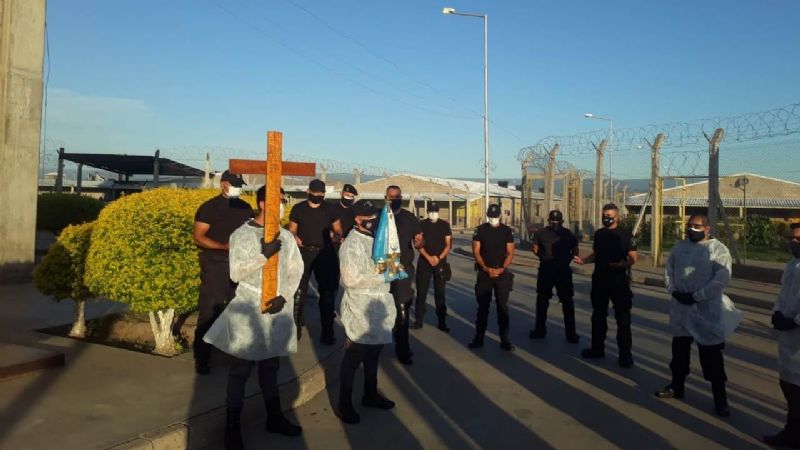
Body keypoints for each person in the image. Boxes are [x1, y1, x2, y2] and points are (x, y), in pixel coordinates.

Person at [203, 186, 303, 449]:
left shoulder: (286, 236)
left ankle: (274, 416)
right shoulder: (242, 235)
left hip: (275, 307)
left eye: (283, 201)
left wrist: (284, 294)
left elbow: (296, 270)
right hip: (249, 308)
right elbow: (236, 273)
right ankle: (232, 426)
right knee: (240, 370)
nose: (281, 205)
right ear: (261, 203)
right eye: (277, 201)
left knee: (271, 367)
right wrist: (263, 255)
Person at [655, 214, 736, 417]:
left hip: (706, 311)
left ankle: (720, 400)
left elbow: (721, 278)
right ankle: (676, 386)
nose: (692, 229)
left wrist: (698, 296)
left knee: (712, 359)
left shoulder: (718, 250)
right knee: (679, 354)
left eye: (697, 226)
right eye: (689, 226)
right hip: (681, 309)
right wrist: (674, 291)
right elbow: (669, 272)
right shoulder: (679, 248)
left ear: (707, 229)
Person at [337, 199, 397, 425]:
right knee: (354, 357)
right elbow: (350, 280)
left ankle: (370, 394)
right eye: (368, 216)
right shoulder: (351, 244)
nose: (373, 220)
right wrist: (383, 276)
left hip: (379, 306)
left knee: (374, 354)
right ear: (357, 219)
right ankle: (344, 404)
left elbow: (386, 265)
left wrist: (392, 267)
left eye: (375, 216)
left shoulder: (378, 240)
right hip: (360, 308)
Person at [192, 170, 254, 375]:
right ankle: (202, 357)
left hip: (240, 266)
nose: (238, 187)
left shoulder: (245, 208)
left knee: (239, 310)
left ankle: (234, 353)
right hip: (216, 264)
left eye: (240, 184)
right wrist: (222, 246)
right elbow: (199, 237)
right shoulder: (210, 208)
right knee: (211, 310)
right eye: (235, 183)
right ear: (224, 184)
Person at [575, 203, 638, 367]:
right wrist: (584, 260)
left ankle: (625, 356)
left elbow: (633, 257)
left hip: (618, 282)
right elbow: (597, 254)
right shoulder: (600, 234)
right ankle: (597, 349)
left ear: (617, 217)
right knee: (597, 317)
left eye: (610, 216)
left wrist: (622, 265)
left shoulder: (625, 234)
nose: (606, 218)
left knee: (623, 320)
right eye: (604, 215)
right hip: (600, 281)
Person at [288, 179, 343, 345]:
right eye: (315, 193)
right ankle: (295, 329)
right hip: (303, 252)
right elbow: (292, 230)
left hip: (325, 253)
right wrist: (294, 237)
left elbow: (338, 229)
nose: (318, 196)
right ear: (308, 191)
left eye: (321, 193)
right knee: (299, 291)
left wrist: (335, 236)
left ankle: (327, 332)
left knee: (326, 294)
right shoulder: (298, 209)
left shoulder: (330, 209)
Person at [764, 223, 800, 447]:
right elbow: (783, 294)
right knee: (789, 385)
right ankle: (791, 432)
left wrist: (794, 321)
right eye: (793, 238)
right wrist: (776, 312)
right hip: (788, 338)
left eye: (799, 239)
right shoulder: (790, 266)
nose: (794, 243)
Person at [469, 204, 516, 351]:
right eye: (491, 216)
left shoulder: (507, 231)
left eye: (495, 217)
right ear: (487, 215)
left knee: (502, 308)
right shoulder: (480, 230)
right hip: (484, 274)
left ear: (500, 216)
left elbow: (510, 252)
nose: (493, 219)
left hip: (501, 275)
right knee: (483, 307)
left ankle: (505, 339)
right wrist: (485, 268)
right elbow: (476, 251)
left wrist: (501, 269)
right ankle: (479, 337)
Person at [529, 210, 580, 343]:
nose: (555, 224)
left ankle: (539, 331)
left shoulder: (540, 233)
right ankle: (571, 334)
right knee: (567, 302)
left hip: (547, 268)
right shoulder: (568, 234)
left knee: (543, 300)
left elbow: (535, 248)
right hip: (562, 270)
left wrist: (543, 256)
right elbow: (575, 250)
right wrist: (568, 258)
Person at [385, 185, 423, 365]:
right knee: (382, 308)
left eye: (397, 196)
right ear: (386, 198)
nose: (393, 200)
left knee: (402, 308)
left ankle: (403, 348)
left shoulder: (409, 218)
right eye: (390, 197)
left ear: (402, 197)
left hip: (403, 269)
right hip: (383, 268)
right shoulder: (380, 216)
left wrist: (419, 242)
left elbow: (420, 240)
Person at [412, 202, 453, 332]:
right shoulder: (421, 224)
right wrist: (429, 257)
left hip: (440, 262)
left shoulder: (444, 225)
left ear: (438, 211)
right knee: (421, 292)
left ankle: (442, 322)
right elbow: (417, 244)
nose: (432, 213)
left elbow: (448, 244)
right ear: (427, 211)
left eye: (434, 211)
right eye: (430, 211)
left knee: (440, 293)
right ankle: (418, 321)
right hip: (425, 262)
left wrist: (439, 258)